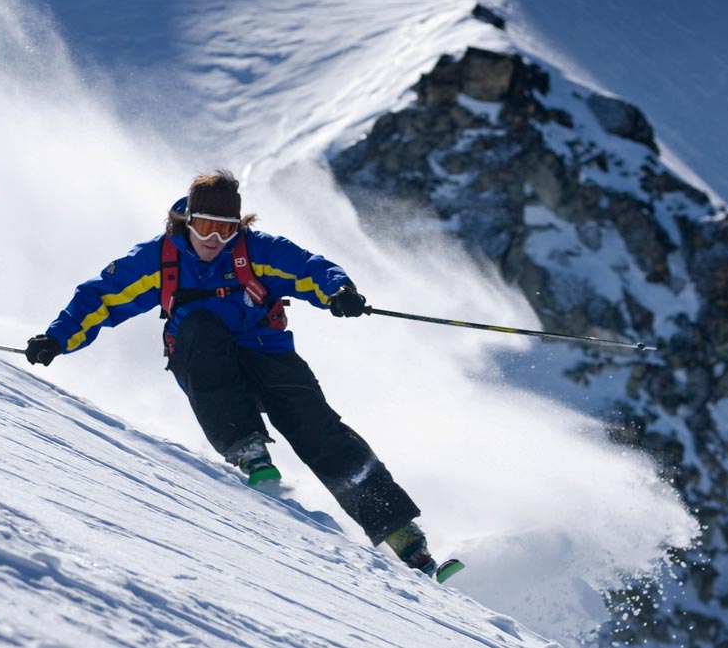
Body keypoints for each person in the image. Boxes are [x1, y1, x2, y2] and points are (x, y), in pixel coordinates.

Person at [24, 170, 442, 577]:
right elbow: (102, 297)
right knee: (200, 326)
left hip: (266, 352)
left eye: (224, 230)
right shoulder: (159, 258)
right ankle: (246, 446)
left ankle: (402, 533)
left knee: (317, 427)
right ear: (187, 220)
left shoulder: (255, 251)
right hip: (202, 356)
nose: (212, 240)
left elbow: (309, 267)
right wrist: (57, 339)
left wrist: (338, 292)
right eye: (204, 227)